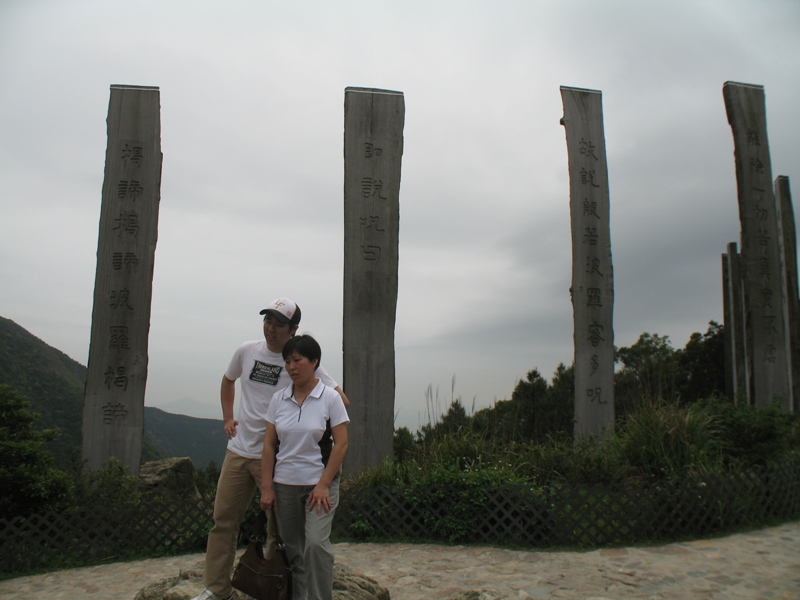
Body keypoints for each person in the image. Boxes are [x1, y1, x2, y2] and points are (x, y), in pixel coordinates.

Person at [192, 299, 349, 600]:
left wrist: (322, 413)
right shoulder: (247, 351)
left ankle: (277, 590)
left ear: (293, 330)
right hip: (241, 450)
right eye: (268, 322)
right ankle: (216, 589)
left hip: (279, 459)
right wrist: (227, 417)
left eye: (279, 325)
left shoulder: (302, 359)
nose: (271, 329)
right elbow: (228, 380)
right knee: (223, 521)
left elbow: (340, 400)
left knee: (279, 536)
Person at [260, 334, 349, 600]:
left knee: (316, 546)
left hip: (318, 485)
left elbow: (341, 444)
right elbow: (268, 445)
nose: (291, 367)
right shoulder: (279, 399)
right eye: (287, 361)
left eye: (297, 360)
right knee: (293, 551)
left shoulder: (330, 398)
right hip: (284, 485)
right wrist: (267, 487)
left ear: (314, 361)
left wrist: (323, 485)